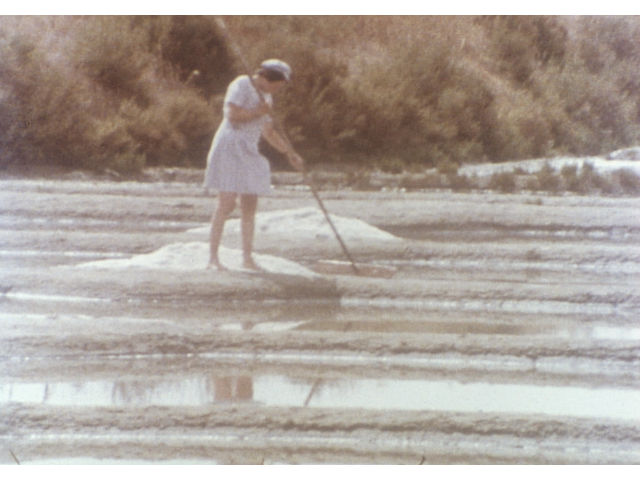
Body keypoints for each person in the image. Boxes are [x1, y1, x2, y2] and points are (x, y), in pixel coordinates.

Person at [204, 59, 303, 271]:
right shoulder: (241, 84)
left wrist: (289, 153)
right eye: (278, 83)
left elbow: (268, 132)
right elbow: (232, 115)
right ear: (268, 77)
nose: (278, 89)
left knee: (249, 204)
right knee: (227, 203)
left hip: (248, 150)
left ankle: (247, 258)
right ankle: (213, 258)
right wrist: (259, 112)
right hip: (229, 146)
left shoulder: (267, 98)